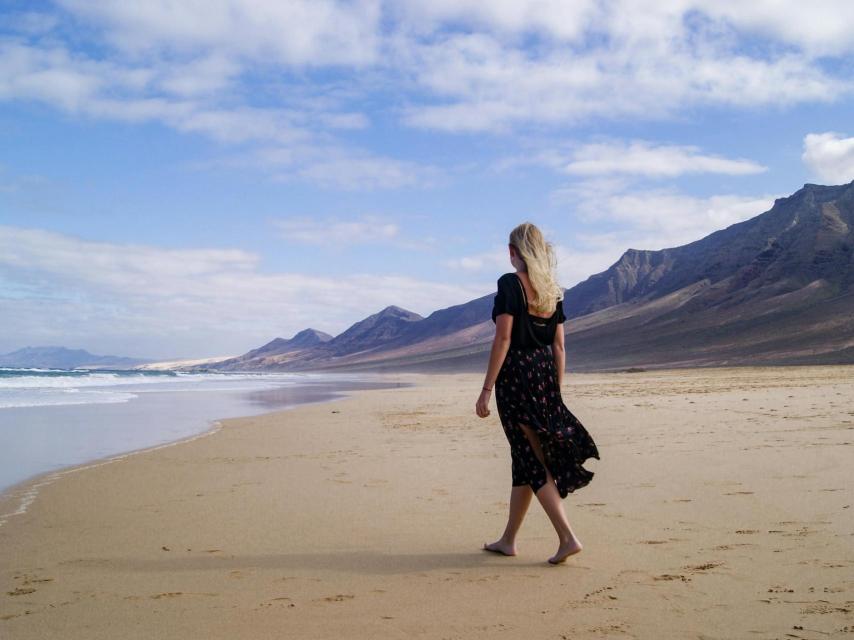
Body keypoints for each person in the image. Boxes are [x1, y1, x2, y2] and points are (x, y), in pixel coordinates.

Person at [475, 222, 601, 565]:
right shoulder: (552, 290)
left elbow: (503, 339)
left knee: (531, 459)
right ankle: (508, 539)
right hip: (544, 375)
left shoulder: (510, 283)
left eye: (510, 249)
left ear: (515, 251)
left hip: (516, 376)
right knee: (524, 458)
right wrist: (555, 390)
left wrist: (487, 389)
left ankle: (567, 536)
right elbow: (559, 346)